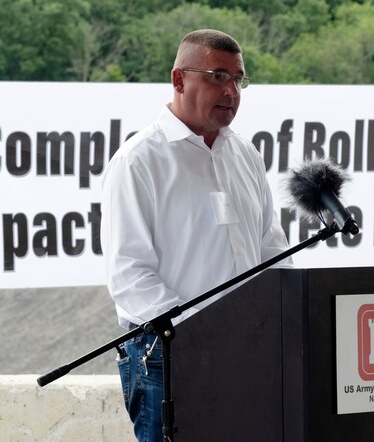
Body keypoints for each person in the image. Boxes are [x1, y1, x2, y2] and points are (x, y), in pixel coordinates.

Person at [101, 29, 293, 442]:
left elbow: (272, 253)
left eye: (238, 79)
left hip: (246, 352)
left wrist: (285, 315)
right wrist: (201, 333)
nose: (232, 91)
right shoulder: (139, 161)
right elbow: (130, 276)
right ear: (179, 80)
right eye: (218, 76)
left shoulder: (246, 155)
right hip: (166, 357)